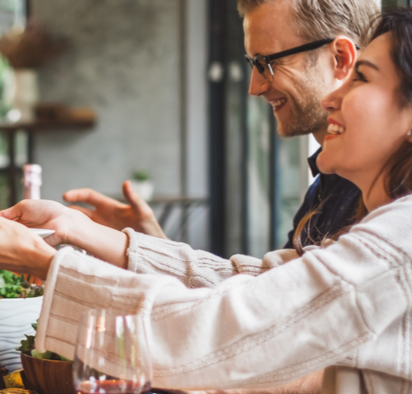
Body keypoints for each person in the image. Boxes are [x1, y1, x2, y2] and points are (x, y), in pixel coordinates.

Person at [0, 8, 412, 394]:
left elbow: (233, 325)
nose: (335, 94)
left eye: (363, 80)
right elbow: (255, 285)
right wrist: (84, 232)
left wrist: (45, 263)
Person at [66, 0, 376, 251]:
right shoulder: (328, 184)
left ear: (340, 58)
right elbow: (263, 300)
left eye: (266, 63)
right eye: (252, 64)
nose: (254, 87)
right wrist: (152, 246)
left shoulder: (381, 192)